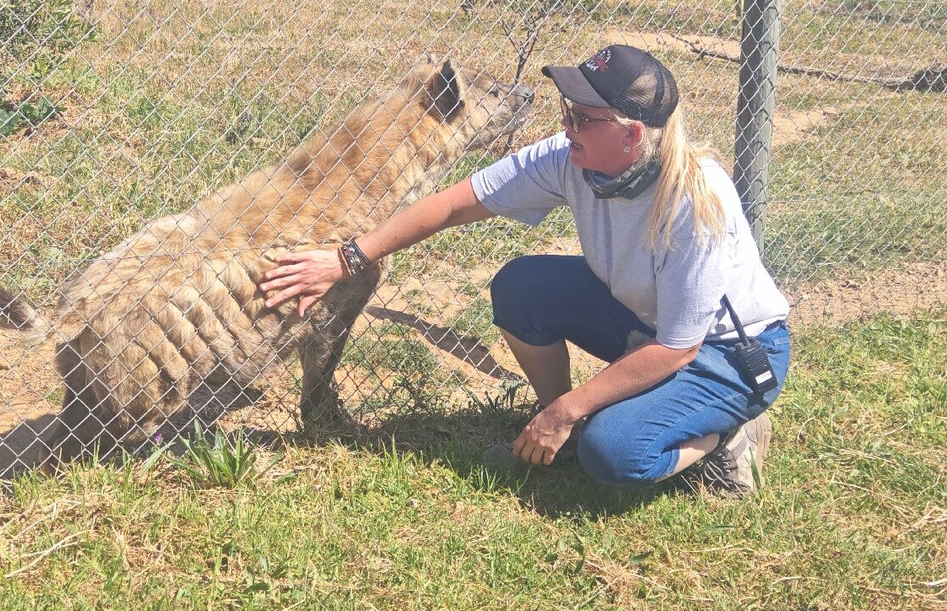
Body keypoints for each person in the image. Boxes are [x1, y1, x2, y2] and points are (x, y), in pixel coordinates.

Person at [260, 45, 791, 496]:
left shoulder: (695, 204)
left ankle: (727, 436)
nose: (567, 125)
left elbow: (678, 347)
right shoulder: (571, 158)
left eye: (584, 117)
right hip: (645, 319)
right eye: (568, 109)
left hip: (727, 350)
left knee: (615, 455)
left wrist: (567, 407)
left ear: (632, 137)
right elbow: (452, 205)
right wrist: (346, 257)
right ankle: (568, 430)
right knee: (522, 288)